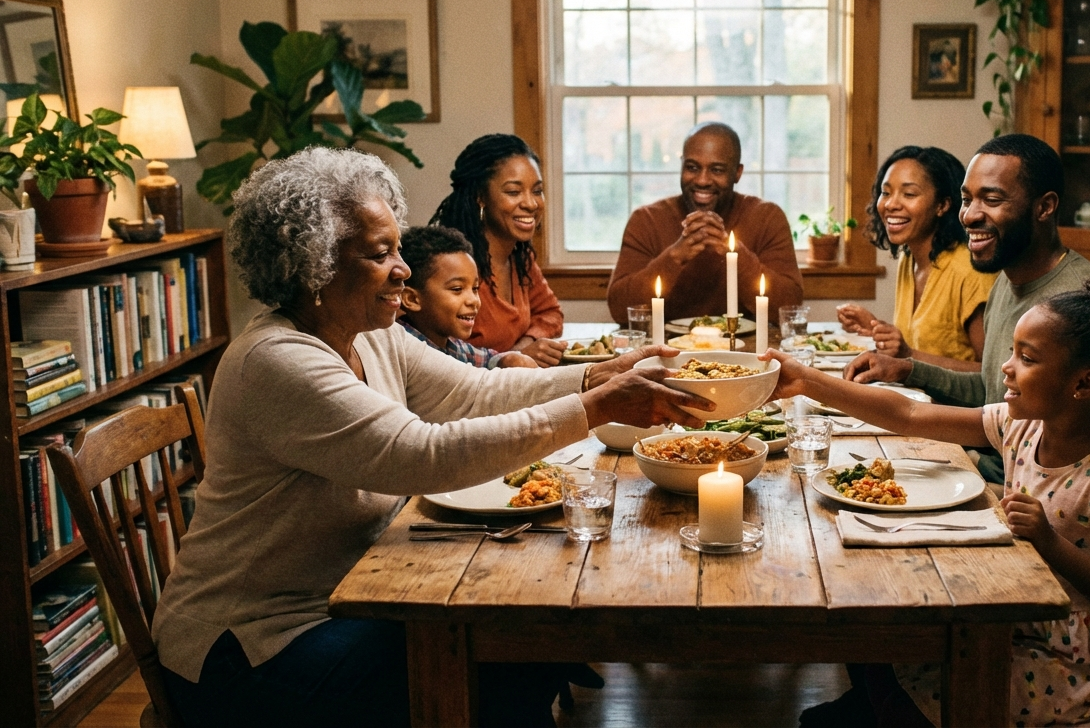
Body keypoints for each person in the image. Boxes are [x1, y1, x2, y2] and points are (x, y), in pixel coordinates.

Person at [151, 147, 712, 727]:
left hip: (348, 596)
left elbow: (476, 392)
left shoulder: (369, 332)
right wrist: (595, 407)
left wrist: (599, 375)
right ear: (314, 264)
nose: (402, 269)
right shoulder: (277, 360)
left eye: (398, 248)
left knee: (514, 643)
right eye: (380, 254)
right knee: (498, 650)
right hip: (253, 645)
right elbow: (422, 453)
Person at [770, 264, 1090, 727]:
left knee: (905, 663)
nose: (1005, 365)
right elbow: (911, 415)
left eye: (1027, 358)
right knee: (882, 632)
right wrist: (809, 380)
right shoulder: (1021, 426)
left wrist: (1049, 542)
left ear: (1083, 384)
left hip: (1080, 662)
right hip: (1023, 614)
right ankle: (877, 707)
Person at [844, 134, 1090, 483]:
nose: (970, 215)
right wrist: (906, 369)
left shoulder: (1075, 303)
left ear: (1045, 207)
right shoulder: (1006, 283)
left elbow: (1079, 460)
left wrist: (967, 458)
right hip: (1001, 466)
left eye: (991, 199)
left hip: (1042, 497)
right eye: (967, 199)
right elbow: (989, 390)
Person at [606, 121, 804, 325]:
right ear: (681, 165)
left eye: (717, 170)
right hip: (667, 351)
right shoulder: (647, 220)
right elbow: (621, 311)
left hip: (746, 351)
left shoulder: (767, 218)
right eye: (692, 167)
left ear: (737, 173)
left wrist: (735, 255)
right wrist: (674, 257)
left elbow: (789, 310)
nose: (702, 180)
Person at [835, 146, 995, 366]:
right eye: (886, 192)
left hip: (953, 402)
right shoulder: (909, 259)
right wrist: (875, 328)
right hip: (912, 397)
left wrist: (908, 354)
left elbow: (992, 376)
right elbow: (916, 346)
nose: (891, 204)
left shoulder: (970, 271)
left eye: (909, 194)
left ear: (942, 205)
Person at [431, 134, 566, 367]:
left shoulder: (520, 257)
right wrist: (509, 359)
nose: (531, 204)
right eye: (514, 192)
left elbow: (551, 313)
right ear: (481, 197)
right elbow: (438, 356)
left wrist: (524, 347)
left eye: (537, 191)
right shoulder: (451, 265)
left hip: (513, 388)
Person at [396, 224, 538, 369]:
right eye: (457, 289)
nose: (473, 300)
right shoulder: (404, 350)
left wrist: (507, 360)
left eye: (475, 288)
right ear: (411, 299)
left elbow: (488, 358)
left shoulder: (450, 345)